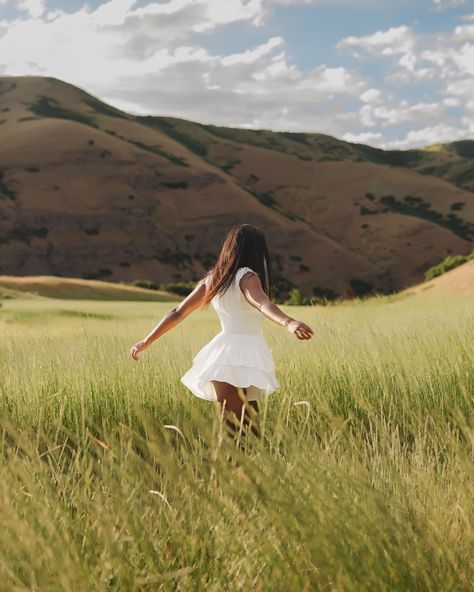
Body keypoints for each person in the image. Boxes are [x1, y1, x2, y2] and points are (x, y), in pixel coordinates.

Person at [129, 223, 314, 440]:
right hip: (241, 353)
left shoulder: (215, 279)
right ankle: (228, 469)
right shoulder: (248, 276)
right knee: (236, 428)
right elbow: (263, 304)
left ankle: (242, 470)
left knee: (246, 426)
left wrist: (148, 340)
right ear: (257, 251)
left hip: (227, 352)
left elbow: (178, 312)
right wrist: (289, 322)